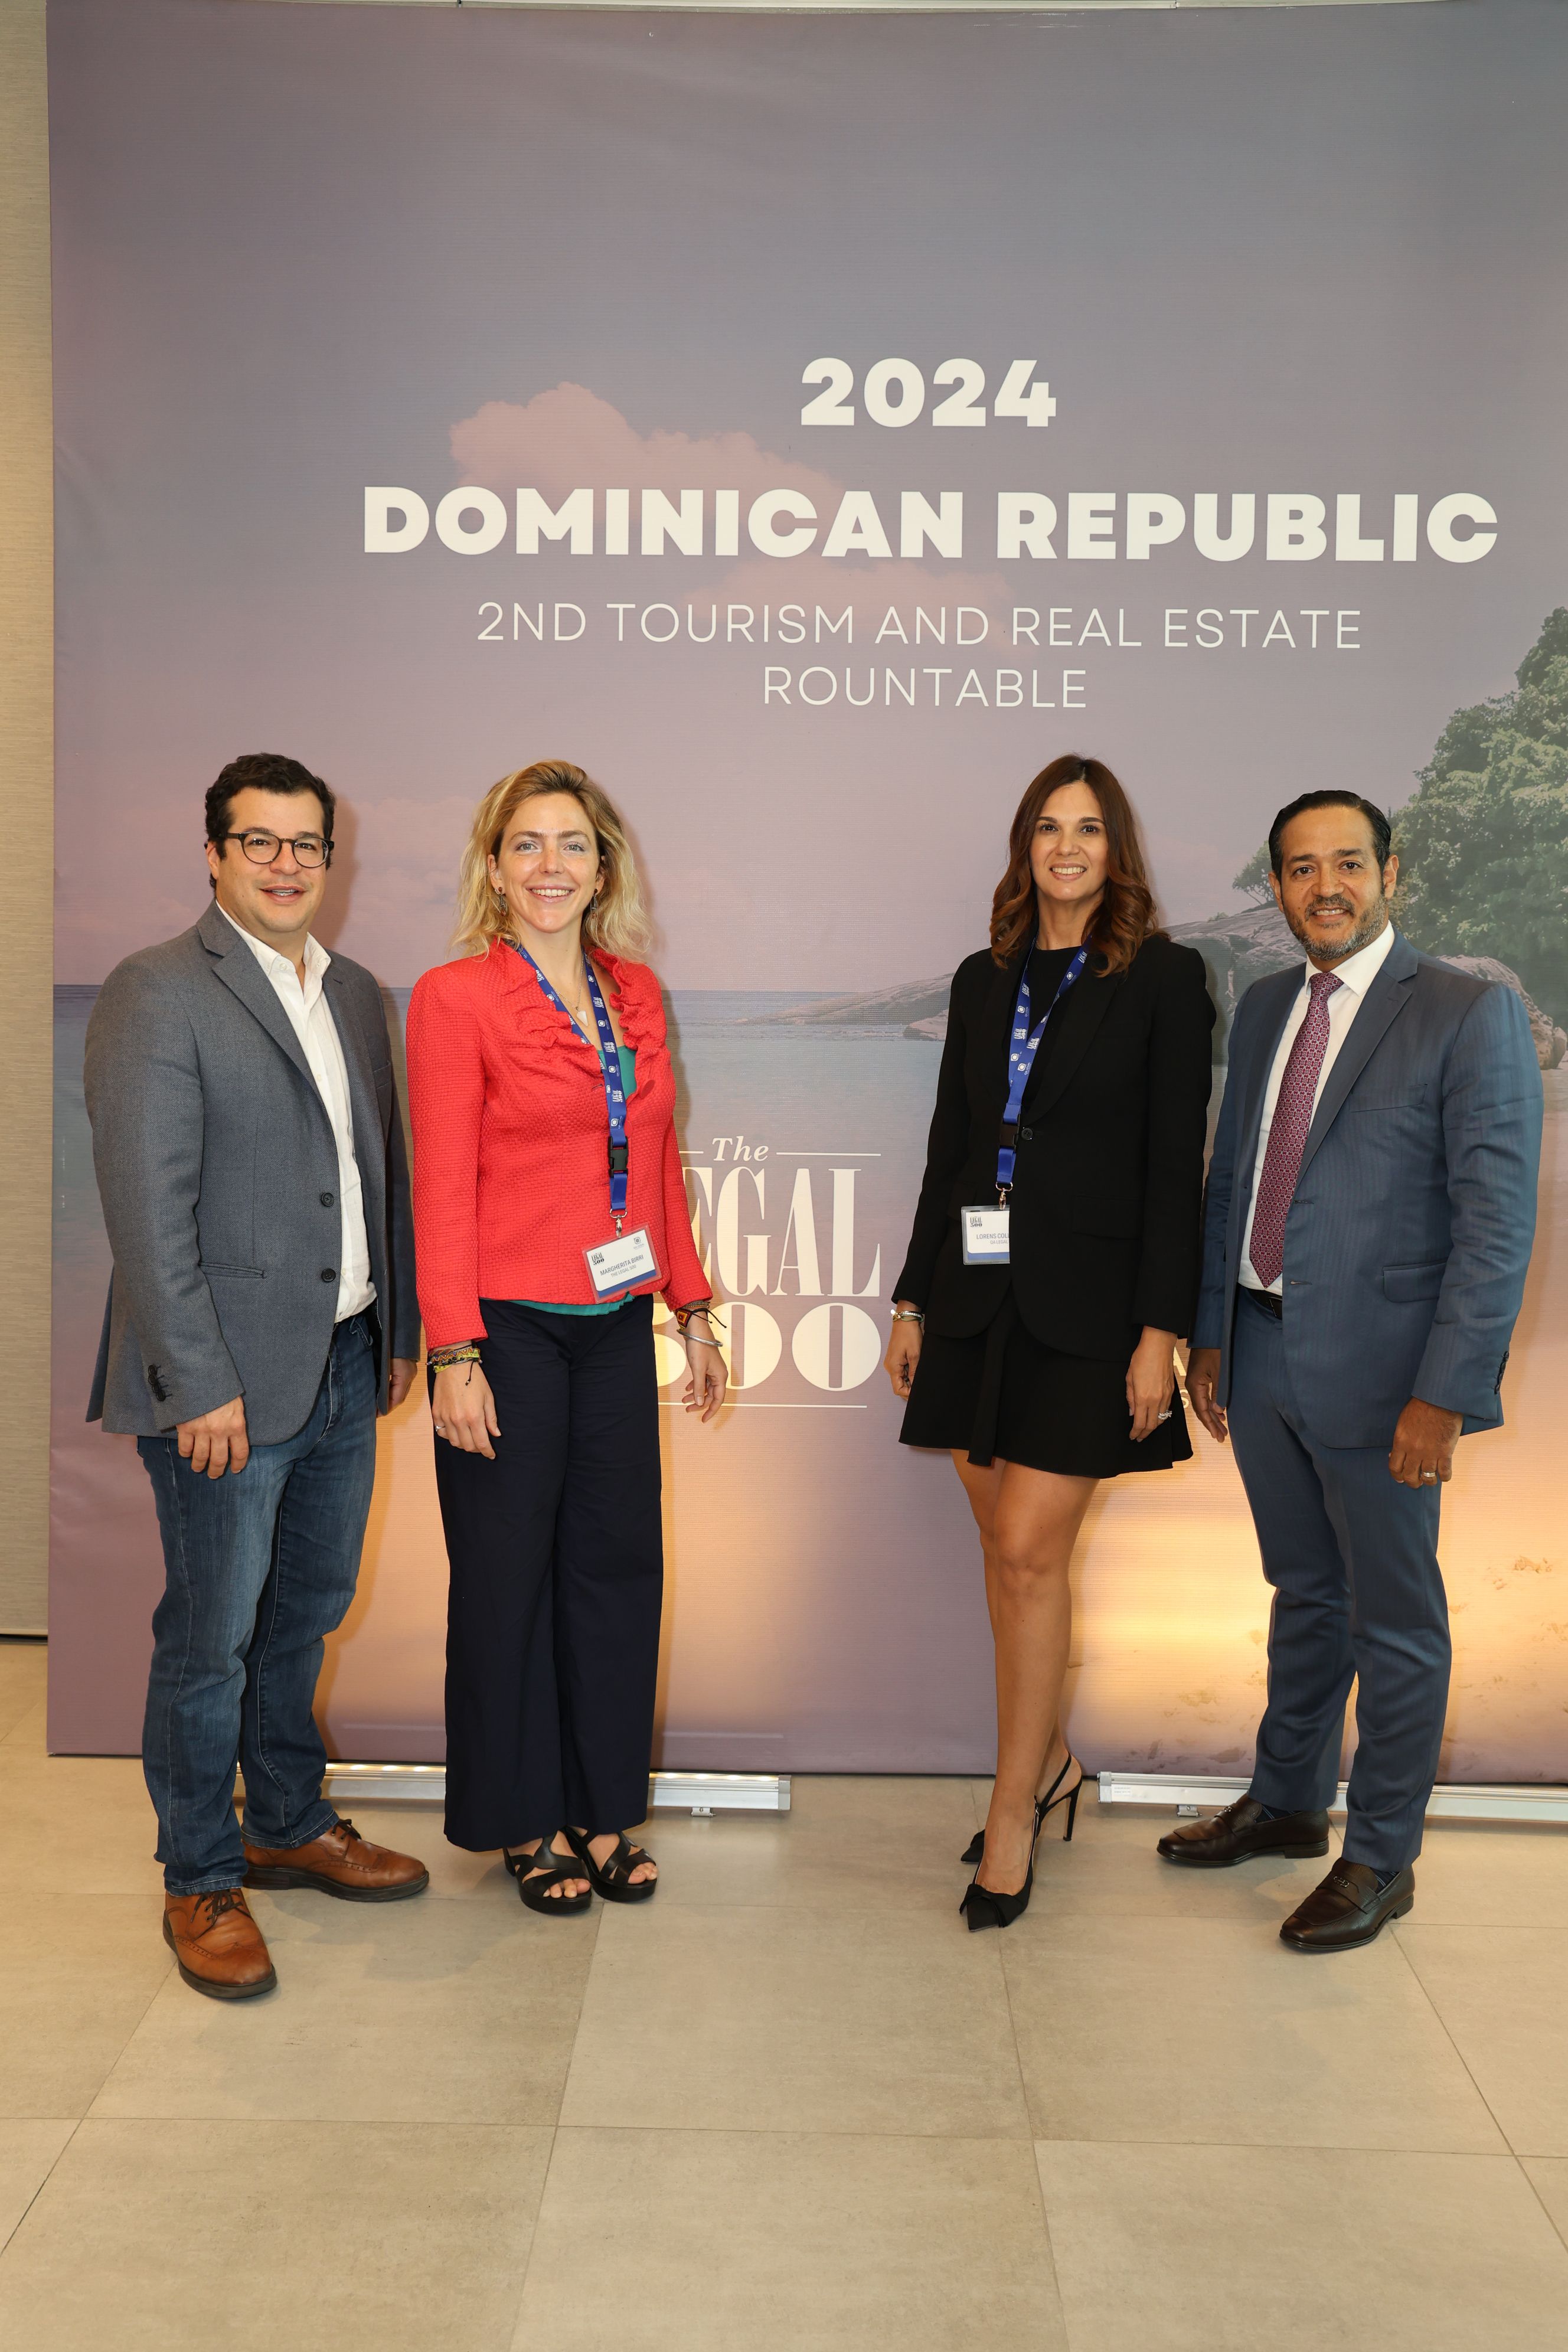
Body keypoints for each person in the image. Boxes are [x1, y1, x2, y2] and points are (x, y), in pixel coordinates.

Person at [1170, 789, 1542, 1950]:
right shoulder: (1264, 1004)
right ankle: (1287, 1802)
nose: (1323, 886)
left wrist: (1444, 1393)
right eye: (1298, 868)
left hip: (1388, 1380)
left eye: (1345, 863)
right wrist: (1212, 1332)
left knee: (1395, 1623)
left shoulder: (1466, 1012)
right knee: (1304, 1591)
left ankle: (1380, 1856)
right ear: (1277, 887)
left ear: (1390, 873)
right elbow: (1230, 1184)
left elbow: (1494, 1226)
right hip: (1259, 1349)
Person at [84, 752, 427, 2002]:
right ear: (215, 854)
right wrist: (196, 1382)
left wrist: (399, 1327)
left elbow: (377, 1170)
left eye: (306, 844)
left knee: (307, 1613)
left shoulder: (357, 993)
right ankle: (200, 1875)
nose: (287, 865)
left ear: (331, 858)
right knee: (210, 1640)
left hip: (344, 1359)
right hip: (223, 1386)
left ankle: (285, 1820)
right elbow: (146, 1208)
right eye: (259, 842)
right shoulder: (156, 990)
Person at [886, 754, 1215, 1928]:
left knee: (1028, 1551)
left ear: (1115, 850)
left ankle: (1013, 1809)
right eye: (1046, 828)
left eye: (1087, 828)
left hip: (1094, 1313)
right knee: (1002, 1549)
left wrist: (1161, 1332)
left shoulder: (1165, 978)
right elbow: (951, 1148)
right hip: (975, 1299)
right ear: (1023, 847)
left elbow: (1175, 1168)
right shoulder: (984, 980)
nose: (1065, 847)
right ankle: (1054, 1761)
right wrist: (912, 1302)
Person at [406, 759, 725, 1915]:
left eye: (573, 844)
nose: (551, 865)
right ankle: (523, 1821)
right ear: (494, 869)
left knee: (616, 1570)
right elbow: (441, 1187)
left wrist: (691, 1306)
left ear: (603, 868)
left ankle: (599, 1808)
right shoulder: (452, 998)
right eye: (527, 844)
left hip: (614, 1326)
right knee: (507, 1581)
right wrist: (453, 1351)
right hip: (505, 1334)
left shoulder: (635, 992)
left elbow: (655, 1162)